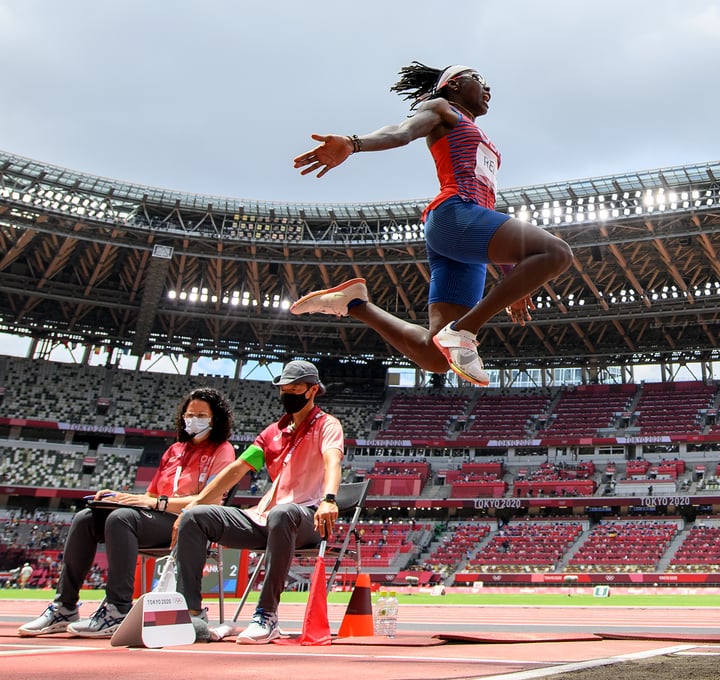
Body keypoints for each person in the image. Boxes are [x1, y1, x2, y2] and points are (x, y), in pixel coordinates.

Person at [290, 62, 573, 387]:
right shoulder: (442, 108)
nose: (488, 89)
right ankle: (464, 331)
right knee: (557, 252)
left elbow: (489, 217)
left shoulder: (479, 133)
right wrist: (353, 143)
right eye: (479, 80)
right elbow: (400, 132)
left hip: (468, 237)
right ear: (453, 85)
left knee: (436, 357)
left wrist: (515, 280)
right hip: (454, 215)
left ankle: (355, 303)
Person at [18, 388, 236, 638]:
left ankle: (118, 609)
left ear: (215, 419)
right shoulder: (174, 451)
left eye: (201, 415)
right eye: (189, 414)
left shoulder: (223, 450)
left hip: (188, 523)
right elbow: (150, 496)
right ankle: (64, 607)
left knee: (122, 518)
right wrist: (121, 497)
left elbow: (210, 503)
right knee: (86, 518)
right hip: (156, 517)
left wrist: (157, 504)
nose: (193, 419)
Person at [173, 360, 344, 644]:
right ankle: (191, 614)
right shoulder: (272, 433)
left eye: (295, 388)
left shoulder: (327, 425)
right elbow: (236, 470)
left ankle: (266, 615)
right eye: (284, 388)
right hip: (264, 518)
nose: (288, 392)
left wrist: (329, 499)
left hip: (307, 518)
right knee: (196, 517)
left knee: (283, 513)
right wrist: (192, 506)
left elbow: (333, 460)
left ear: (313, 390)